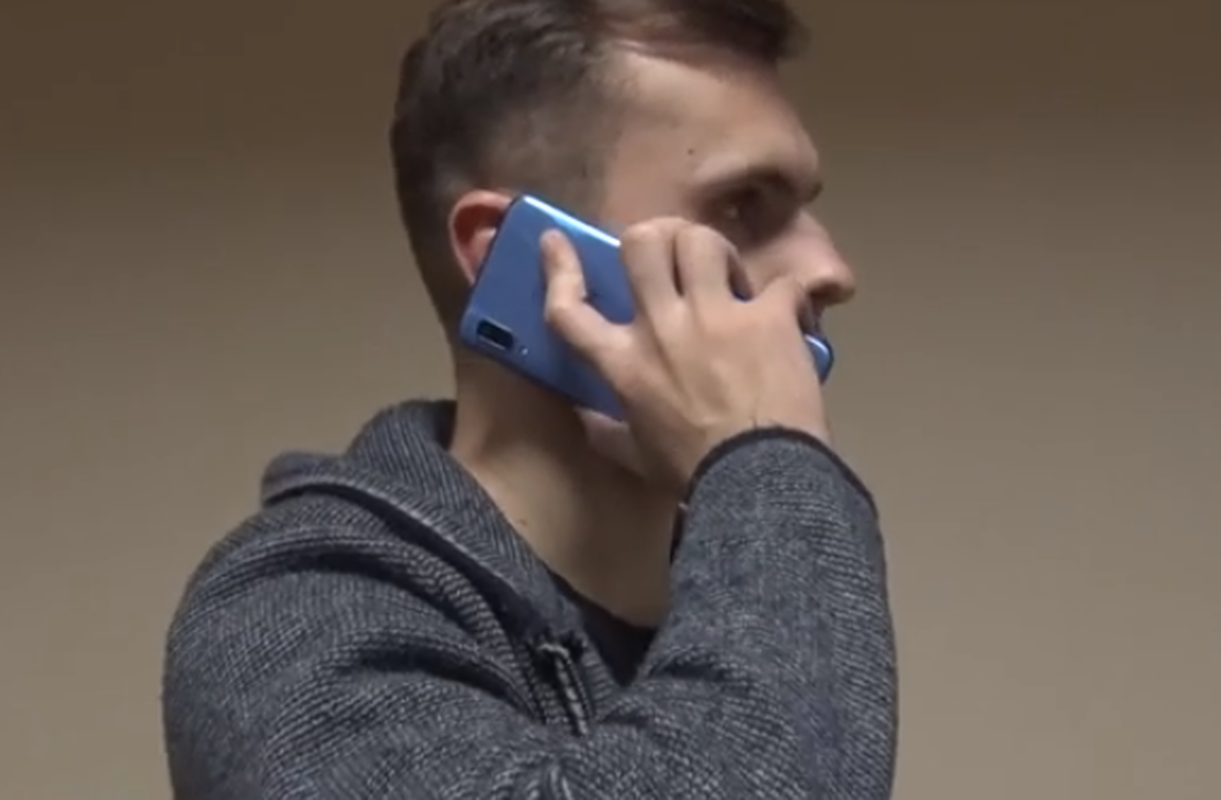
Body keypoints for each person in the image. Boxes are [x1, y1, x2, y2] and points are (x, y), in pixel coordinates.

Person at [161, 0, 898, 797]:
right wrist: (769, 464)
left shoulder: (752, 577)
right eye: (743, 203)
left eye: (804, 207)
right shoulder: (291, 611)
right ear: (521, 258)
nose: (829, 269)